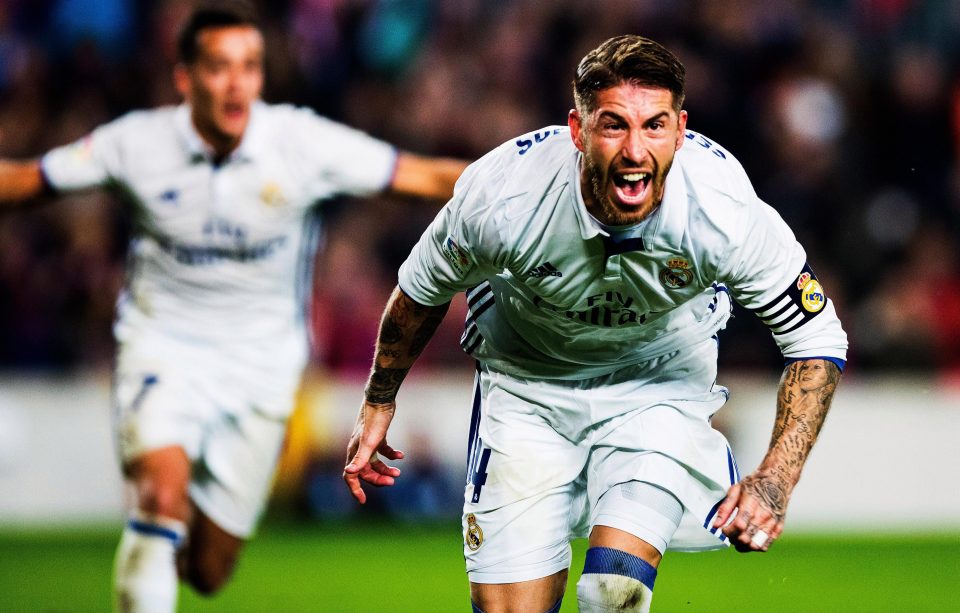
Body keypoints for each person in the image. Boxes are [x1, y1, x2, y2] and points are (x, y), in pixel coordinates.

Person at [343, 34, 847, 613]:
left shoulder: (722, 209)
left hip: (656, 390)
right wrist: (379, 401)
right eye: (613, 126)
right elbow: (420, 291)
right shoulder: (506, 197)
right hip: (527, 389)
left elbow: (817, 337)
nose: (636, 150)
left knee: (615, 593)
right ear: (578, 131)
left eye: (655, 126)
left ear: (681, 130)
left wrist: (775, 480)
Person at [0, 1, 467, 611]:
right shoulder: (136, 144)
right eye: (219, 67)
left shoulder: (299, 141)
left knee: (209, 571)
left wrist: (536, 183)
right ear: (184, 78)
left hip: (262, 371)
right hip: (161, 346)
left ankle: (169, 538)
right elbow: (29, 180)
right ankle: (160, 515)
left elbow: (423, 176)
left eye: (249, 66)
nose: (236, 82)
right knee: (159, 502)